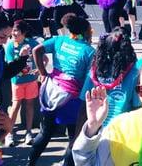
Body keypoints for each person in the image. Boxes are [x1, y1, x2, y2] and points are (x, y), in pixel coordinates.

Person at [29, 13, 95, 166]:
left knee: (45, 133)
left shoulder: (59, 40)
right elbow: (89, 79)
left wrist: (43, 73)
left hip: (50, 92)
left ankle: (30, 163)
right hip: (72, 99)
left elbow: (37, 50)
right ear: (84, 31)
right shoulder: (89, 51)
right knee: (74, 138)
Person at [79, 30, 140, 127]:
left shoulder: (94, 71)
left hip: (97, 127)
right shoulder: (134, 73)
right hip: (121, 131)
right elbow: (137, 107)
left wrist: (78, 135)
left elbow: (83, 104)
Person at [4, 20, 40, 147]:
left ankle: (29, 133)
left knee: (30, 105)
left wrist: (40, 70)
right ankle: (9, 133)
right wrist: (20, 56)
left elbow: (43, 57)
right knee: (15, 106)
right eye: (13, 30)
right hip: (17, 81)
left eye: (16, 31)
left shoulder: (33, 43)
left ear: (24, 33)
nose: (13, 33)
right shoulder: (9, 46)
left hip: (31, 80)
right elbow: (9, 64)